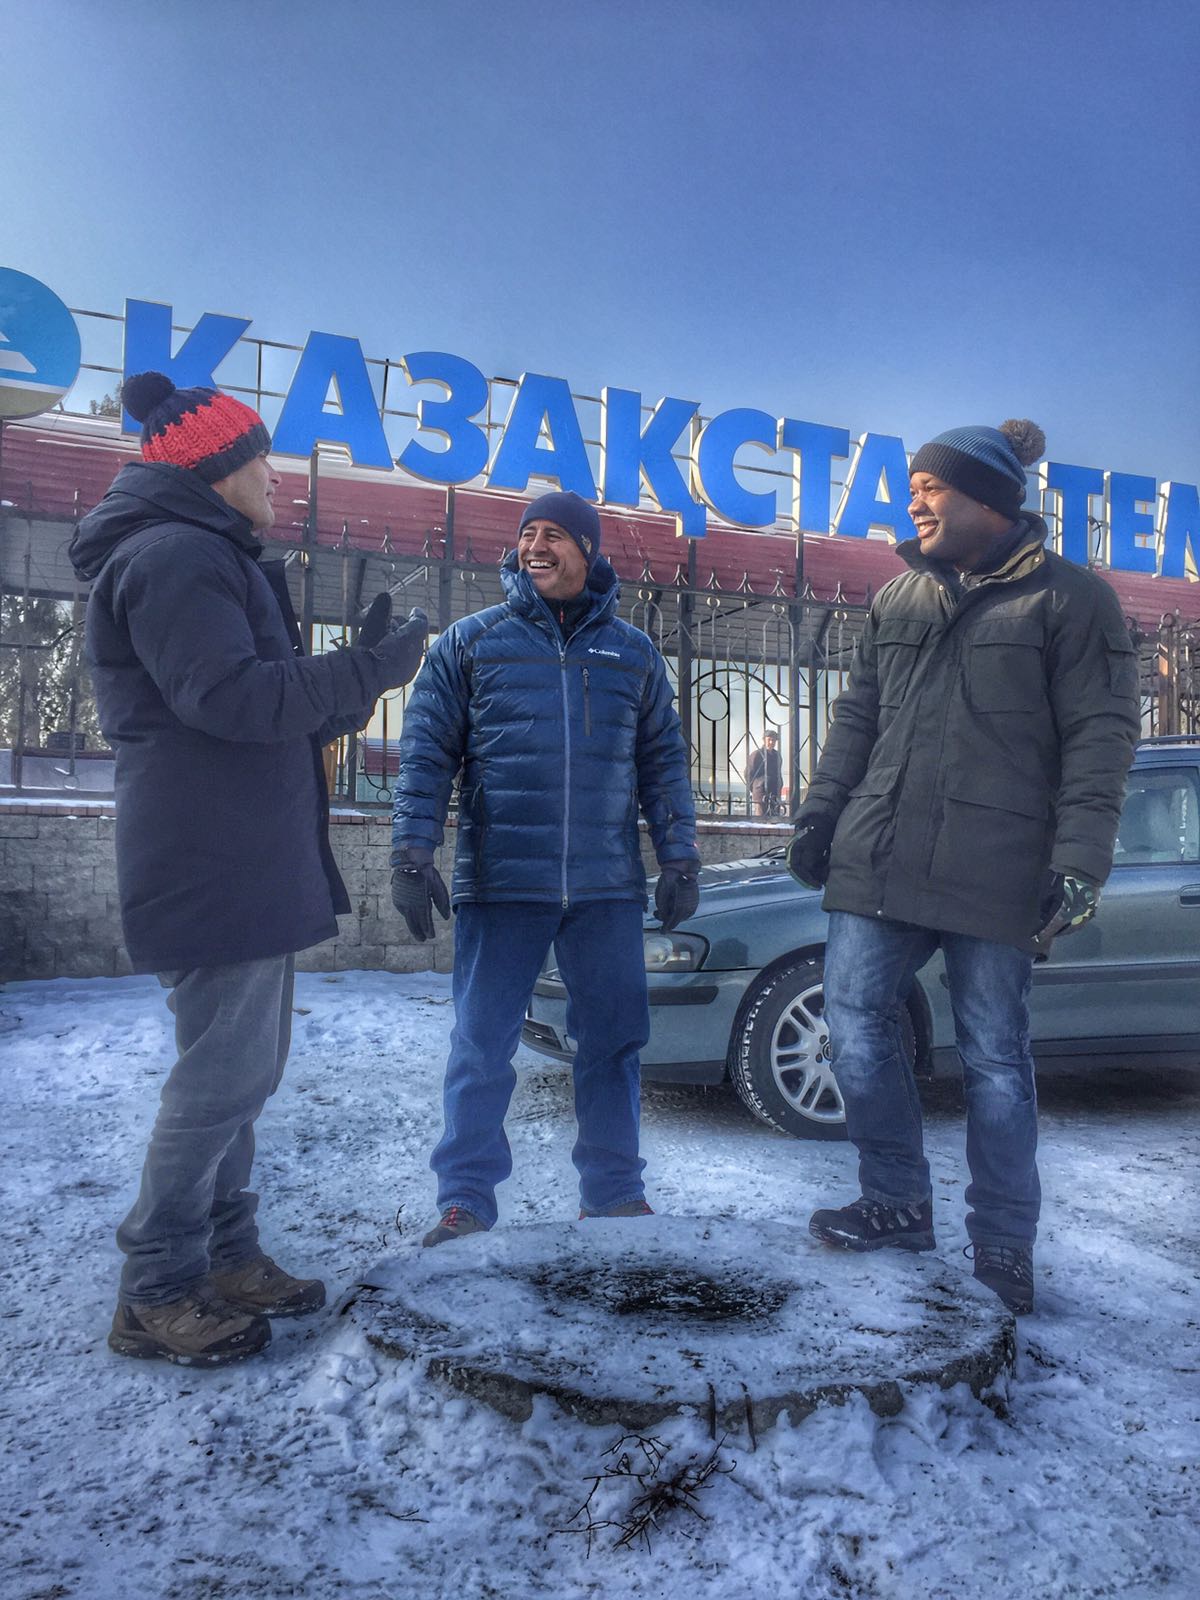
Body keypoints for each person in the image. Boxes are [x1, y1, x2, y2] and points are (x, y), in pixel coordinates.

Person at [68, 371, 428, 1365]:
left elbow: (260, 703)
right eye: (263, 460)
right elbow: (227, 698)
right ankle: (156, 1286)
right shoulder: (176, 554)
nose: (277, 477)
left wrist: (351, 682)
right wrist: (366, 671)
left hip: (238, 854)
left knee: (240, 1076)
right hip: (210, 857)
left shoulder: (199, 551)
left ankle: (225, 1254)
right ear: (218, 466)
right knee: (221, 1079)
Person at [785, 419, 1140, 1315]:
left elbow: (1101, 736)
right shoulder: (897, 597)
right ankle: (896, 1202)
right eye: (911, 488)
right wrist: (822, 811)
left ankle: (1005, 1245)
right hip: (882, 850)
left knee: (995, 1060)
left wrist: (1080, 858)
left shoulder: (1073, 600)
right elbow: (858, 718)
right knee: (853, 1024)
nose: (914, 502)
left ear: (987, 499)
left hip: (999, 863)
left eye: (931, 487)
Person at [390, 489, 700, 1245]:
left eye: (555, 535)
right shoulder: (471, 643)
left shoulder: (633, 654)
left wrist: (680, 856)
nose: (536, 547)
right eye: (528, 534)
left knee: (613, 1046)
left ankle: (614, 1194)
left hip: (606, 888)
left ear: (588, 551)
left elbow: (663, 763)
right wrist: (412, 851)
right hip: (503, 882)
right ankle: (465, 1201)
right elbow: (426, 753)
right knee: (481, 1047)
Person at [747, 730, 782, 816]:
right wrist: (755, 788)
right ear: (764, 740)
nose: (771, 742)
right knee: (761, 818)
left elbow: (778, 772)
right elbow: (748, 773)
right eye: (769, 739)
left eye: (773, 740)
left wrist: (780, 784)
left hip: (774, 792)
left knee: (775, 818)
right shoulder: (757, 754)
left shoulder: (777, 755)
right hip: (761, 793)